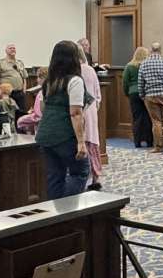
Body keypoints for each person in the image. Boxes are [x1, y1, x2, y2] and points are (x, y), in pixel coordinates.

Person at [35, 40, 90, 199]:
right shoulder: (75, 81)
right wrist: (81, 141)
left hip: (45, 135)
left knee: (55, 177)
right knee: (80, 172)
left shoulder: (48, 82)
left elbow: (45, 107)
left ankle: (55, 217)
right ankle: (67, 213)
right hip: (65, 135)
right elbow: (75, 113)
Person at [79, 50, 103, 189]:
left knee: (84, 142)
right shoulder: (91, 70)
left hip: (80, 109)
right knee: (93, 142)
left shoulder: (74, 71)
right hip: (92, 108)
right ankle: (95, 176)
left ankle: (86, 178)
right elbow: (97, 91)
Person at [122, 46, 153, 148]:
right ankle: (149, 141)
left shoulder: (129, 66)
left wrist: (127, 93)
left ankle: (137, 142)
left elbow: (125, 82)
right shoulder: (148, 65)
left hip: (133, 94)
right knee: (148, 117)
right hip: (147, 92)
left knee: (137, 118)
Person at [0, 43, 28, 119]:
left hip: (19, 93)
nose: (12, 49)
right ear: (6, 51)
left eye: (14, 48)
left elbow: (24, 78)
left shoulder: (20, 63)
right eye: (10, 48)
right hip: (7, 93)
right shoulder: (0, 63)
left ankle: (19, 130)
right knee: (8, 115)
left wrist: (24, 91)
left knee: (22, 114)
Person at [16, 68, 46, 134]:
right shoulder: (41, 92)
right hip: (39, 117)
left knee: (20, 121)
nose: (37, 80)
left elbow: (39, 114)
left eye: (39, 77)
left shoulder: (42, 93)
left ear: (44, 78)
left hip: (40, 119)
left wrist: (33, 114)